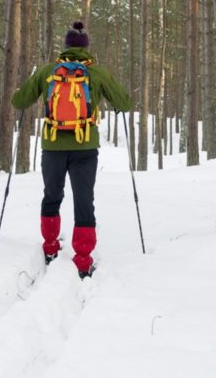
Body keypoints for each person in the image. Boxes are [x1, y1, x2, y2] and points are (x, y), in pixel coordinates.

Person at [11, 21, 132, 279]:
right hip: (85, 147)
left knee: (52, 195)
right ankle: (83, 260)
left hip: (52, 146)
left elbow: (19, 101)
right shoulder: (96, 73)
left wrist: (26, 90)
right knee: (84, 201)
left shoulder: (48, 71)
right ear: (86, 48)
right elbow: (124, 103)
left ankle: (50, 248)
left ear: (65, 46)